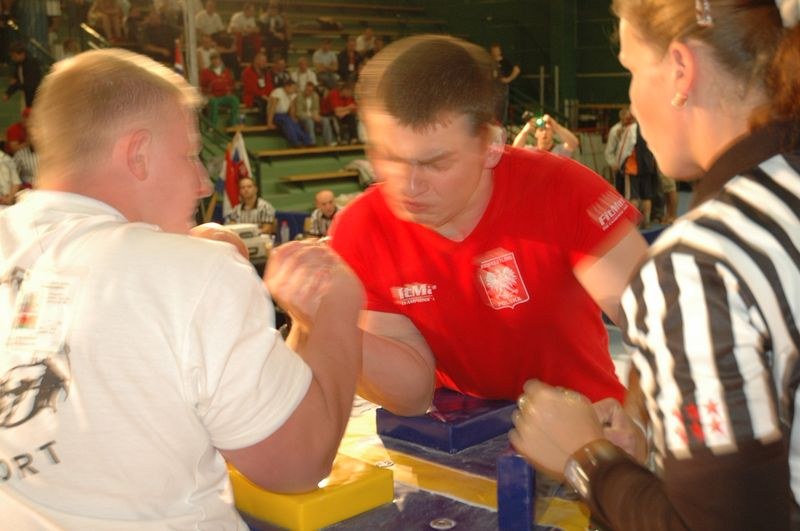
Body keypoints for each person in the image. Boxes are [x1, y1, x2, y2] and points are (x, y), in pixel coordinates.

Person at [0, 48, 364, 528]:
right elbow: (297, 463)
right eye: (191, 155)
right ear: (138, 154)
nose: (201, 182)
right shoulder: (195, 273)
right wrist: (335, 306)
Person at [510, 1, 800, 530]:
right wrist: (657, 446)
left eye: (630, 71)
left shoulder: (701, 263)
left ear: (680, 71)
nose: (631, 99)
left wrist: (587, 459)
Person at [329, 35, 648, 419]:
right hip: (459, 447)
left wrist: (637, 422)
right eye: (389, 158)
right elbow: (412, 395)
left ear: (491, 145)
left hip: (589, 430)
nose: (407, 184)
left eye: (435, 163)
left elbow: (670, 330)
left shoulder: (562, 189)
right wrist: (321, 318)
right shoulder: (362, 229)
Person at [267, 79, 314, 148]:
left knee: (295, 124)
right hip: (276, 115)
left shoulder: (291, 95)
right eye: (293, 88)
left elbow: (292, 108)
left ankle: (307, 141)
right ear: (287, 87)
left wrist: (293, 118)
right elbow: (272, 109)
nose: (294, 90)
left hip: (285, 115)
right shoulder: (277, 92)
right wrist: (269, 123)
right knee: (287, 123)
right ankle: (296, 142)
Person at [199, 51, 240, 130]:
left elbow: (231, 84)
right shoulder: (205, 72)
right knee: (213, 102)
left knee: (235, 100)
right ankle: (212, 126)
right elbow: (203, 87)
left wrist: (230, 91)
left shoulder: (227, 71)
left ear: (220, 60)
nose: (215, 61)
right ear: (211, 61)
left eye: (217, 59)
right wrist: (208, 94)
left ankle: (232, 123)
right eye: (213, 59)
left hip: (225, 96)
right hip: (213, 97)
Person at [512, 113, 580, 158]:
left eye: (547, 129)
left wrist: (556, 126)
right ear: (536, 134)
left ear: (553, 132)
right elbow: (515, 150)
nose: (544, 132)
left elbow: (574, 143)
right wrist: (524, 132)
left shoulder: (560, 151)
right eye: (541, 130)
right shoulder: (531, 151)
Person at [294, 81, 334, 147]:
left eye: (310, 90)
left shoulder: (315, 96)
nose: (308, 92)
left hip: (312, 115)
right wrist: (310, 116)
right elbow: (299, 112)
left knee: (326, 120)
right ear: (304, 88)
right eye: (307, 90)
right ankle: (312, 142)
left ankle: (328, 142)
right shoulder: (299, 96)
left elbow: (316, 109)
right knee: (309, 121)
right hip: (302, 117)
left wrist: (315, 115)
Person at [3, 41, 42, 108]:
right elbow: (15, 79)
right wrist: (8, 93)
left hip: (36, 97)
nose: (13, 58)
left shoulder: (32, 64)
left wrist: (16, 84)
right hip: (26, 95)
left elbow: (30, 85)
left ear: (22, 54)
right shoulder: (18, 64)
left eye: (14, 56)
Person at [489, 42, 520, 124]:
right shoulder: (489, 61)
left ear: (500, 51)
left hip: (502, 87)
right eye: (493, 50)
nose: (495, 52)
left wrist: (508, 79)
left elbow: (516, 69)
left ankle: (503, 122)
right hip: (492, 87)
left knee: (503, 104)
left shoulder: (505, 61)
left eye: (496, 50)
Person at [241, 50, 274, 123]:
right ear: (256, 61)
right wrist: (263, 96)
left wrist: (271, 95)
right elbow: (251, 88)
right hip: (252, 96)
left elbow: (269, 85)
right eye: (263, 61)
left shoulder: (266, 72)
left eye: (265, 61)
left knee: (275, 100)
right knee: (264, 102)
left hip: (265, 96)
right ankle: (263, 123)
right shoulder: (247, 72)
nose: (265, 63)